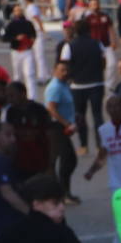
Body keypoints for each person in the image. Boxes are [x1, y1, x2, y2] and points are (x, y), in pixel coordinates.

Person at [83, 97, 121, 194]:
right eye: (110, 106)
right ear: (106, 109)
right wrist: (91, 171)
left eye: (117, 106)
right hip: (117, 185)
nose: (114, 109)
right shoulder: (103, 130)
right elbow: (101, 157)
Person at [61, 19, 105, 154]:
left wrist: (70, 77)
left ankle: (83, 145)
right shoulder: (97, 43)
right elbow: (103, 60)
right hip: (96, 83)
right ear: (88, 30)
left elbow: (65, 65)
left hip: (77, 85)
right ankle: (99, 144)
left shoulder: (69, 46)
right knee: (97, 115)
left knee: (80, 116)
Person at [44, 61, 81, 202]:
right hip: (56, 128)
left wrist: (74, 117)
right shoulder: (55, 87)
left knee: (67, 160)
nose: (65, 72)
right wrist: (67, 124)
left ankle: (62, 192)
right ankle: (62, 193)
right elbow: (51, 109)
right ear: (54, 71)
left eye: (66, 70)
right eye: (61, 70)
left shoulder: (64, 84)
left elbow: (66, 105)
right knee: (67, 160)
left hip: (62, 127)